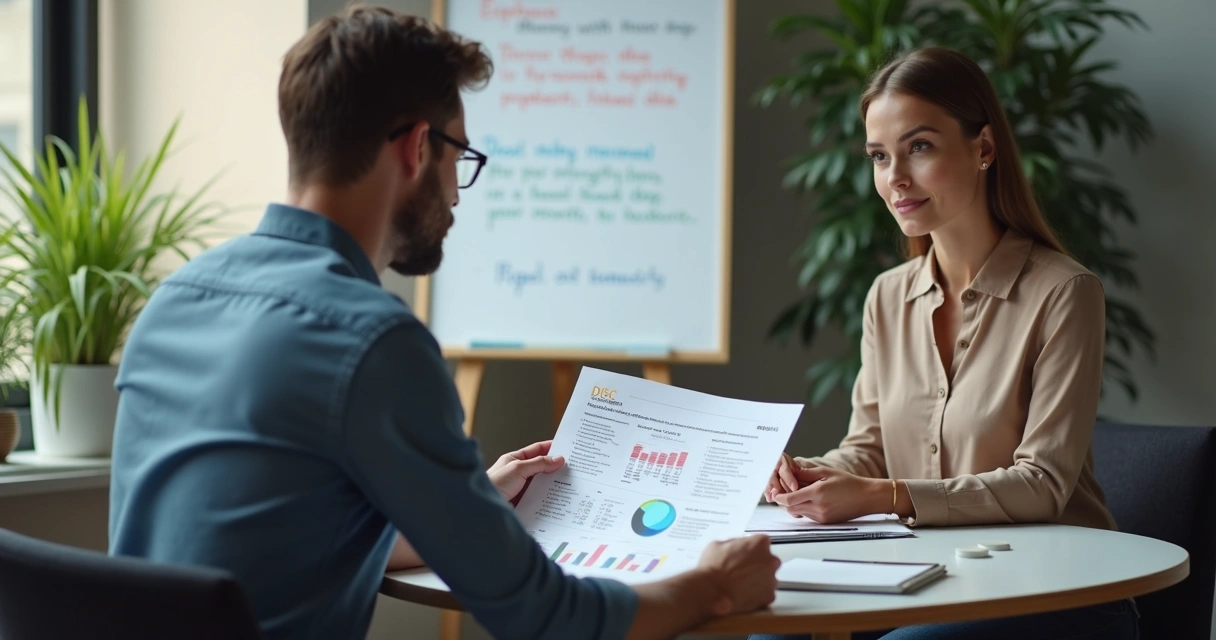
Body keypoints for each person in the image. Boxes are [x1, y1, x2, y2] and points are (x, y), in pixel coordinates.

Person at [107, 5, 780, 640]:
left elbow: (280, 528)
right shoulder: (371, 340)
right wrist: (711, 586)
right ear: (416, 148)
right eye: (459, 157)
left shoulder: (176, 299)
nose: (457, 189)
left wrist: (470, 503)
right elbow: (545, 617)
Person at [753, 48, 1138, 640]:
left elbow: (1041, 484)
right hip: (931, 580)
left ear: (984, 149)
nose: (895, 178)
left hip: (1058, 593)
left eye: (920, 147)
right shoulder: (888, 296)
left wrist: (890, 495)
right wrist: (803, 477)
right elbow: (869, 451)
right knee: (766, 633)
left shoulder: (1064, 292)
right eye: (879, 157)